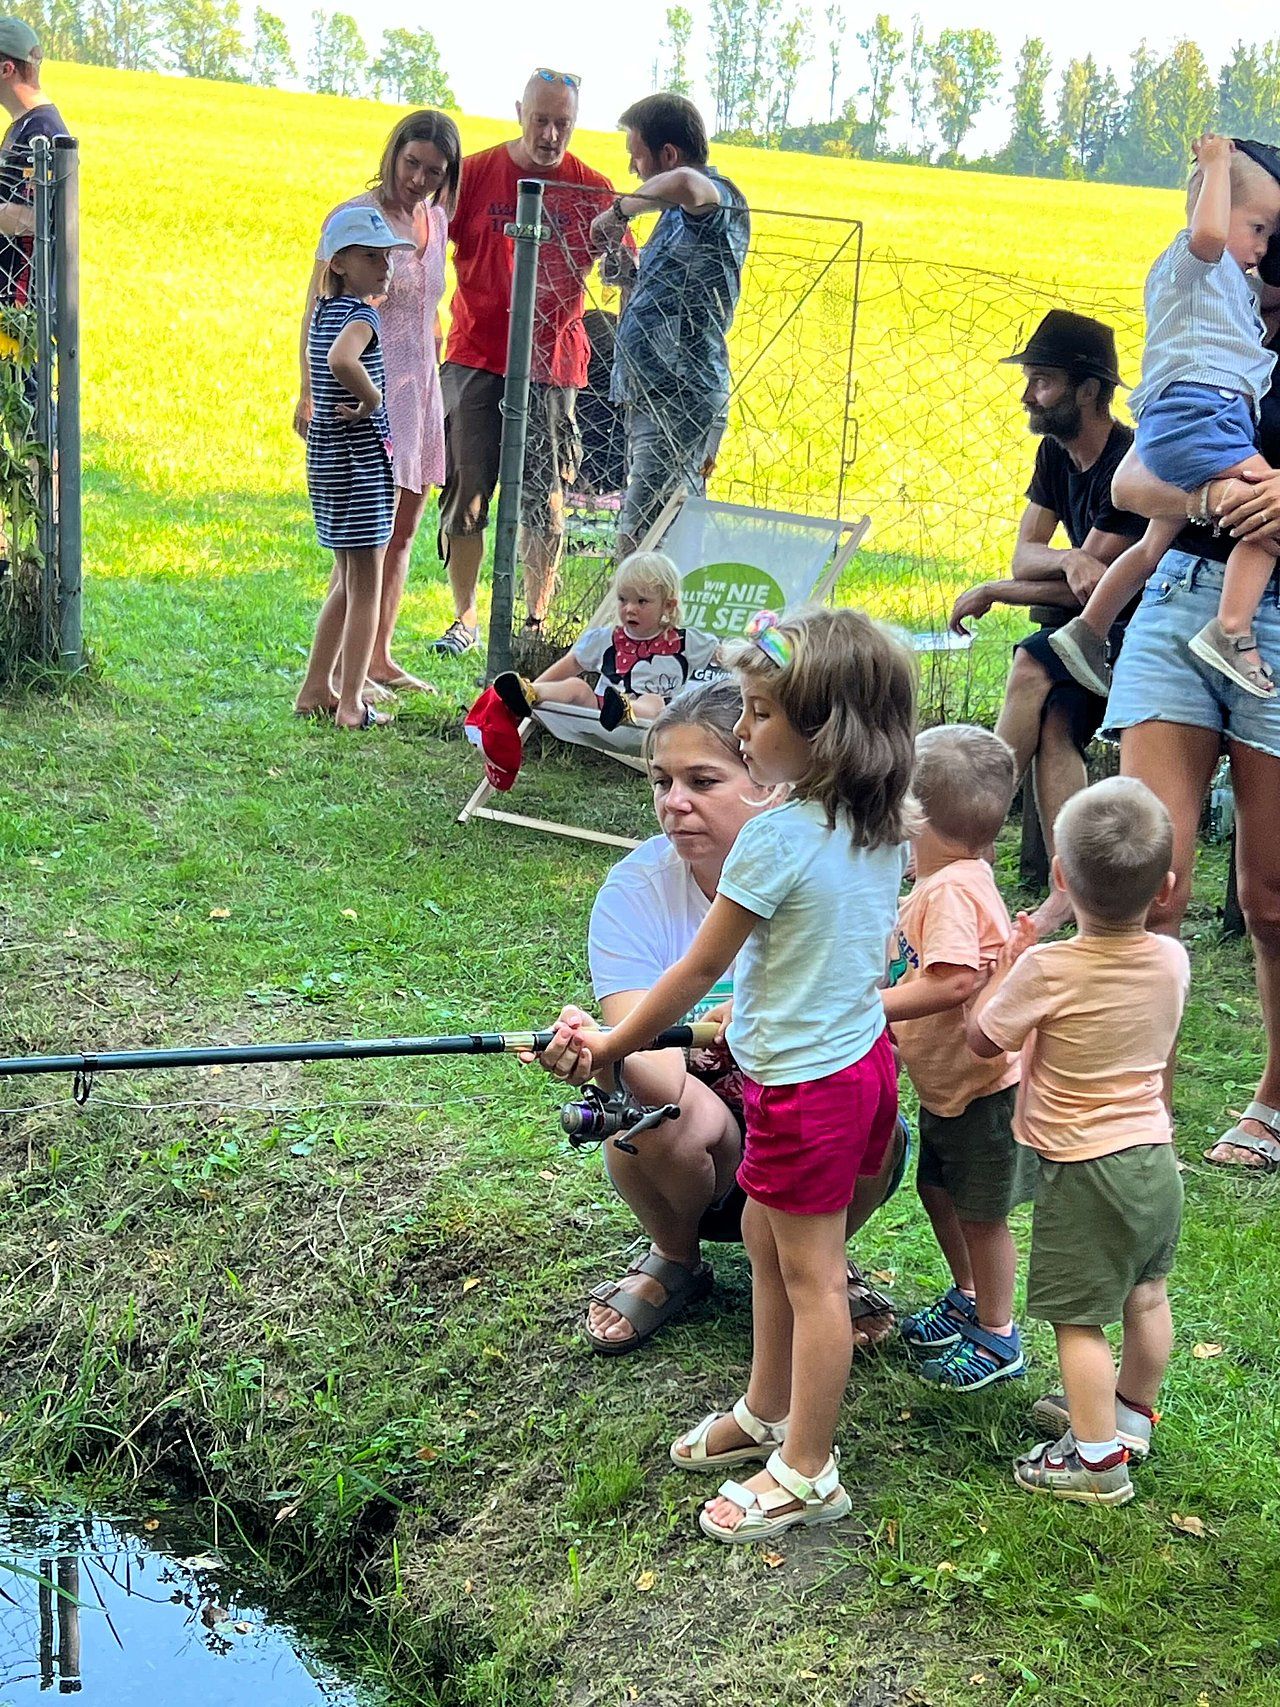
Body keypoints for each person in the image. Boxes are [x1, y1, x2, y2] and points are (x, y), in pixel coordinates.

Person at [552, 608, 915, 1543]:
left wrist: (610, 1039)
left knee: (812, 1276)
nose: (744, 730)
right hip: (860, 1064)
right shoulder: (874, 821)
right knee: (762, 1232)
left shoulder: (776, 837)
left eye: (756, 714)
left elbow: (697, 970)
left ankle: (806, 1465)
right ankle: (764, 1405)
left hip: (804, 1089)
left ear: (820, 729)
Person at [529, 677, 909, 1357]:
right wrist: (607, 1055)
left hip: (811, 1109)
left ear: (769, 777)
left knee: (867, 1112)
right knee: (649, 1119)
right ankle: (677, 1257)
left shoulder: (836, 860)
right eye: (660, 780)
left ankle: (820, 1260)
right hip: (719, 1142)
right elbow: (660, 1080)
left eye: (702, 780)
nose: (673, 803)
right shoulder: (634, 891)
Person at [967, 778, 1188, 1506]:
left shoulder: (1050, 967)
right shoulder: (1172, 962)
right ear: (1168, 887)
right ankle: (1128, 1416)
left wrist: (1011, 958)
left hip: (1084, 1167)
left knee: (1078, 1317)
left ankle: (1095, 1461)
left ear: (1061, 877)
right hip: (1155, 1159)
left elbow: (981, 1037)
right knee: (1146, 1294)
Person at [1050, 136, 1280, 702]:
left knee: (1152, 545)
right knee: (1266, 517)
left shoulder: (1224, 286)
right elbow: (1127, 488)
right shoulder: (1198, 262)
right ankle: (1231, 628)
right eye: (1257, 231)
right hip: (1201, 414)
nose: (1262, 250)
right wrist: (1216, 165)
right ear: (1220, 212)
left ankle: (1087, 629)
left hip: (1188, 415)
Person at [948, 312, 1145, 930]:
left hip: (1134, 629)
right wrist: (1069, 555)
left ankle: (967, 842)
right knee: (1056, 727)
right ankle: (1070, 890)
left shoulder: (1131, 461)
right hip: (1085, 626)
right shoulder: (1053, 454)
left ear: (1089, 390)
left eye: (1043, 381)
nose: (1028, 395)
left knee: (1032, 663)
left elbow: (1094, 580)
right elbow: (1035, 555)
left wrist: (995, 590)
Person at [432, 70, 622, 655]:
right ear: (520, 112)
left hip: (553, 366)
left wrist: (619, 243)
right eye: (540, 120)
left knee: (547, 496)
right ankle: (465, 618)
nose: (550, 134)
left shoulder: (592, 188)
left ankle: (536, 623)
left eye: (562, 123)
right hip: (475, 356)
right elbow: (423, 248)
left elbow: (622, 272)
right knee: (466, 490)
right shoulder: (477, 174)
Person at [883, 726, 1037, 1392]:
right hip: (950, 1085)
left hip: (982, 1092)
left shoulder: (949, 892)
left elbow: (950, 981)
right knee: (937, 1189)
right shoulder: (953, 877)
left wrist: (873, 1007)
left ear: (917, 816)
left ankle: (999, 1334)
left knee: (981, 1212)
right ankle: (969, 1293)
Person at [295, 111, 461, 701]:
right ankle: (342, 673)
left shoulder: (435, 221)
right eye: (411, 162)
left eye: (433, 171)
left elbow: (429, 309)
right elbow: (315, 306)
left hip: (419, 387)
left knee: (405, 531)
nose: (418, 178)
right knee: (365, 540)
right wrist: (308, 389)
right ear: (392, 154)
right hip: (365, 395)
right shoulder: (353, 221)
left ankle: (380, 657)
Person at [589, 94, 749, 558]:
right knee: (664, 533)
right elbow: (678, 295)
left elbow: (685, 183)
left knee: (641, 542)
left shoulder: (716, 197)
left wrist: (618, 211)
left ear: (669, 153)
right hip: (655, 394)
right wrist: (629, 281)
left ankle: (639, 628)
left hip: (680, 397)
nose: (634, 170)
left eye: (637, 156)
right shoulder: (674, 215)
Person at [294, 206, 413, 731]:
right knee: (367, 585)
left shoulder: (323, 310)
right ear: (339, 263)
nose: (384, 265)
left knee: (346, 578)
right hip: (359, 459)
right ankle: (350, 705)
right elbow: (344, 361)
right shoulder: (360, 316)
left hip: (327, 457)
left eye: (387, 255)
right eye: (371, 256)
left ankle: (315, 688)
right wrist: (371, 398)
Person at [493, 551, 719, 732]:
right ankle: (530, 693)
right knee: (577, 686)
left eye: (642, 601)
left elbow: (722, 655)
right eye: (623, 599)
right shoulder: (606, 639)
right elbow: (572, 664)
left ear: (668, 606)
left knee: (654, 702)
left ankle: (625, 708)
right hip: (599, 715)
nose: (630, 609)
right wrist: (536, 685)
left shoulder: (684, 641)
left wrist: (746, 655)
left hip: (655, 727)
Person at [0, 16, 68, 309]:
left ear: (6, 69)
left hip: (21, 306)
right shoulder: (23, 125)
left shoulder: (41, 132)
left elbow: (35, 218)